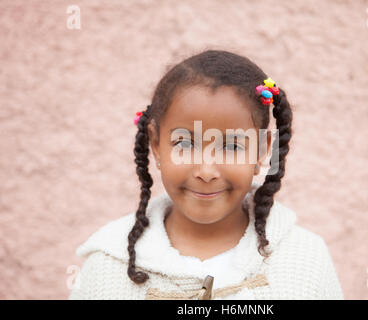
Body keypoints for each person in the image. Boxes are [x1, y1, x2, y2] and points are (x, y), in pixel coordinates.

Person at [68, 50, 344, 300]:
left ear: (262, 151)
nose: (206, 171)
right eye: (185, 144)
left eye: (232, 146)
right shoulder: (109, 264)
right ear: (156, 146)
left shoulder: (305, 261)